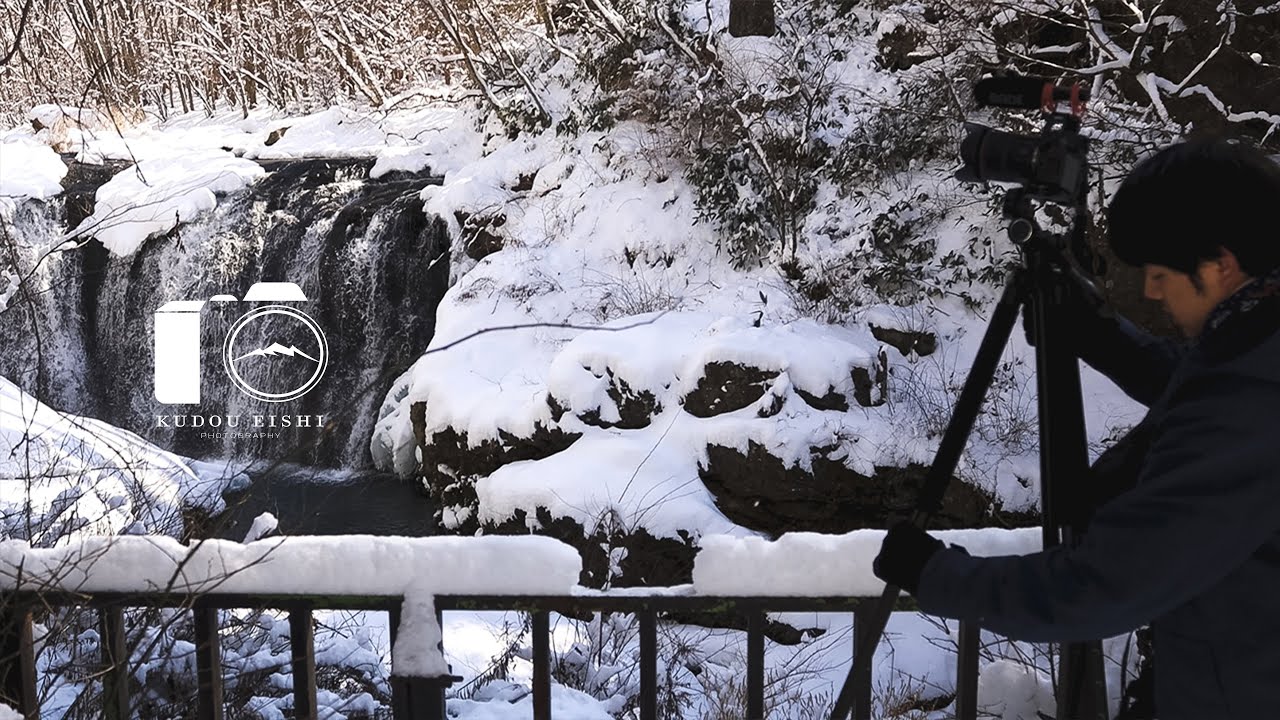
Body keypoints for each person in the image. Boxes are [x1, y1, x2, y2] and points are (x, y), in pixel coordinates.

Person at [872, 136, 1280, 719]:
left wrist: (936, 574)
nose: (1151, 290)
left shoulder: (1251, 403)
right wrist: (1099, 335)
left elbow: (1107, 586)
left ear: (1222, 264)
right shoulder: (1257, 340)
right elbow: (1195, 386)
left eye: (1161, 272)